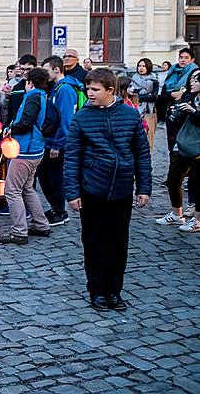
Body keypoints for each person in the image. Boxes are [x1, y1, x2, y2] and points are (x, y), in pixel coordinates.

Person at [64, 68, 152, 311]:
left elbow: (142, 154)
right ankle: (97, 291)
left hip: (122, 189)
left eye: (95, 90)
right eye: (88, 89)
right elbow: (72, 157)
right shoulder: (82, 117)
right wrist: (72, 192)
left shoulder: (130, 115)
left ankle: (114, 291)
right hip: (93, 189)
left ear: (110, 90)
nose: (89, 94)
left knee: (118, 243)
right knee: (94, 243)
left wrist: (143, 187)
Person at [0, 68, 52, 244]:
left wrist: (10, 129)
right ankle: (41, 225)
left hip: (25, 150)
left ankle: (19, 232)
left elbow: (26, 122)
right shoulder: (42, 95)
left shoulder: (33, 96)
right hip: (35, 149)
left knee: (12, 190)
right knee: (27, 188)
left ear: (30, 82)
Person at [38, 56, 81, 226]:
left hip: (57, 143)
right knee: (45, 176)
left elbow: (65, 120)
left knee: (54, 178)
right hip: (49, 140)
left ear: (56, 70)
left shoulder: (65, 90)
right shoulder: (55, 88)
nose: (44, 74)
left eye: (46, 70)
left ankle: (60, 211)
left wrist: (57, 144)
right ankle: (56, 208)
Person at [156, 69, 200, 229]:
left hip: (198, 147)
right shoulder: (189, 97)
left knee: (196, 183)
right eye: (192, 79)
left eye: (196, 80)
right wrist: (175, 113)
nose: (192, 82)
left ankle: (197, 220)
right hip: (182, 143)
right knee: (173, 179)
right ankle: (176, 214)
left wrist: (193, 112)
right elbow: (176, 122)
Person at [162, 49, 198, 152]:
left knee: (184, 144)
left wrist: (183, 94)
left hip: (186, 114)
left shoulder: (195, 73)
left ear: (192, 60)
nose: (183, 60)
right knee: (172, 145)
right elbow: (162, 95)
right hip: (171, 112)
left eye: (186, 58)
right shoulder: (172, 71)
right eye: (181, 57)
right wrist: (171, 94)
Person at [129, 58, 159, 152]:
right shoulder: (133, 79)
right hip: (135, 112)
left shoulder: (154, 79)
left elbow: (154, 97)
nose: (141, 68)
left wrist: (139, 96)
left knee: (148, 140)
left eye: (144, 66)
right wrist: (146, 95)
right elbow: (130, 95)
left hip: (149, 113)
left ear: (148, 67)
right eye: (139, 66)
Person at [5, 55, 37, 125]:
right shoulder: (16, 88)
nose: (25, 72)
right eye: (22, 69)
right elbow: (11, 112)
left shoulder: (43, 86)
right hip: (18, 129)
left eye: (29, 69)